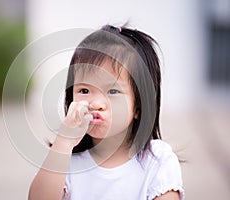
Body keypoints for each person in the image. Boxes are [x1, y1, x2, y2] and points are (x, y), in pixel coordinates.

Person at [28, 25, 184, 200]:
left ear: (139, 107)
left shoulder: (157, 161)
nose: (96, 103)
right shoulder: (67, 160)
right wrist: (63, 142)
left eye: (112, 92)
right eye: (85, 90)